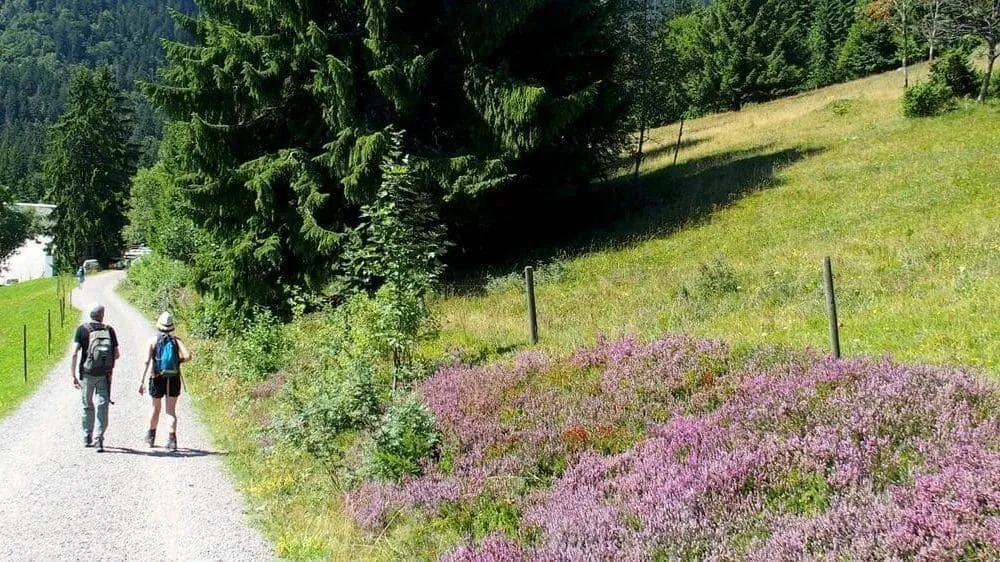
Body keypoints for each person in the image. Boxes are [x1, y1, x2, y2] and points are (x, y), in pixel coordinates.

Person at [71, 303, 120, 452]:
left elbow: (74, 353)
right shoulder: (109, 330)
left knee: (87, 405)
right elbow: (117, 354)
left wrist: (73, 375)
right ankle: (99, 439)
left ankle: (87, 436)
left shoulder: (82, 329)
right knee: (102, 405)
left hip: (87, 373)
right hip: (104, 375)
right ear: (102, 315)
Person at [139, 311, 192, 451]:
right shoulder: (177, 341)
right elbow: (188, 356)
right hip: (173, 378)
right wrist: (177, 361)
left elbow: (146, 361)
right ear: (171, 327)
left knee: (155, 408)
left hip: (156, 377)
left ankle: (150, 437)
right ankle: (172, 440)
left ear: (159, 326)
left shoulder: (152, 341)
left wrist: (141, 381)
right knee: (170, 410)